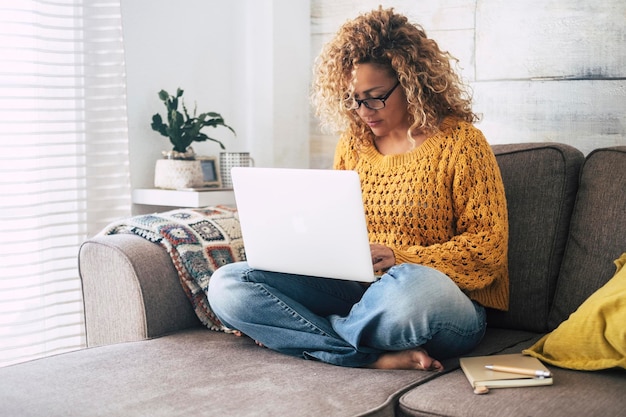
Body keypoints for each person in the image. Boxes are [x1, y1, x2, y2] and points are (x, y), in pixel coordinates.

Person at [208, 7, 509, 371]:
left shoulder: (462, 144)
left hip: (434, 301)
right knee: (229, 284)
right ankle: (371, 357)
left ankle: (303, 336)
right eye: (353, 99)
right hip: (357, 292)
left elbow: (488, 249)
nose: (363, 110)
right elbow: (336, 227)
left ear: (411, 82)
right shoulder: (353, 144)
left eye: (375, 96)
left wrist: (400, 258)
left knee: (411, 288)